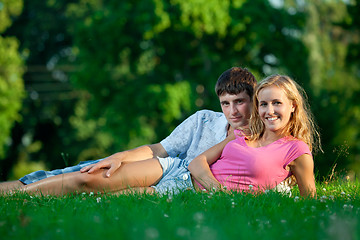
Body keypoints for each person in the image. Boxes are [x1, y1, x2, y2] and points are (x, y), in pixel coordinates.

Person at [0, 67, 258, 194]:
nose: (232, 111)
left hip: (169, 186)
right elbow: (158, 149)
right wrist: (120, 157)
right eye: (226, 103)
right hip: (153, 168)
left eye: (239, 102)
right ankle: (13, 194)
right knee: (69, 173)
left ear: (253, 100)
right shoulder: (204, 120)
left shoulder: (257, 140)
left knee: (85, 193)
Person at [189, 74, 320, 197]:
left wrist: (222, 197)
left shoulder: (296, 149)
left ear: (293, 106)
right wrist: (219, 193)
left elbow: (309, 201)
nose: (269, 111)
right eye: (263, 104)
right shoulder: (245, 132)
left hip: (196, 196)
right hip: (181, 177)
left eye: (277, 103)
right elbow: (196, 163)